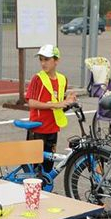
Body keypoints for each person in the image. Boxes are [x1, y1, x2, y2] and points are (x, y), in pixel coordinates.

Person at [25, 44, 77, 172]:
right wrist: (55, 104)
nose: (43, 63)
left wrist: (68, 102)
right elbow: (31, 102)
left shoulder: (62, 79)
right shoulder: (37, 79)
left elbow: (59, 104)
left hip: (53, 128)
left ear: (56, 60)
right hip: (38, 128)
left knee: (48, 166)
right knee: (35, 167)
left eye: (47, 59)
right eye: (41, 60)